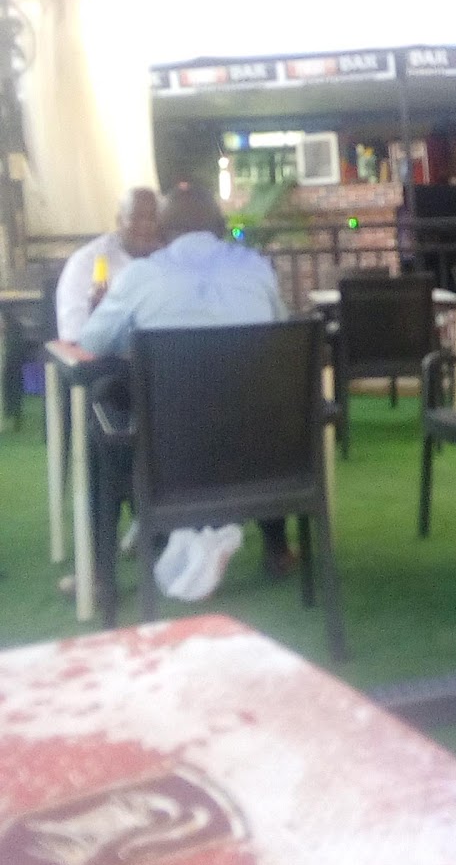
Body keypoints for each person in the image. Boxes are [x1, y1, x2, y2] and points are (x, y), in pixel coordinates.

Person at [79, 183, 295, 579]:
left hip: (168, 459)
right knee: (258, 398)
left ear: (161, 233)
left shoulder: (140, 276)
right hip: (255, 455)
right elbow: (280, 333)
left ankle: (100, 574)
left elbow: (92, 342)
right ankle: (277, 548)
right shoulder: (257, 270)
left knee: (101, 409)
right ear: (222, 229)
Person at [56, 188, 160, 342]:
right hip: (103, 354)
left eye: (153, 218)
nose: (146, 225)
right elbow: (74, 334)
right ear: (119, 221)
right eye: (136, 217)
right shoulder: (87, 262)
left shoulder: (170, 262)